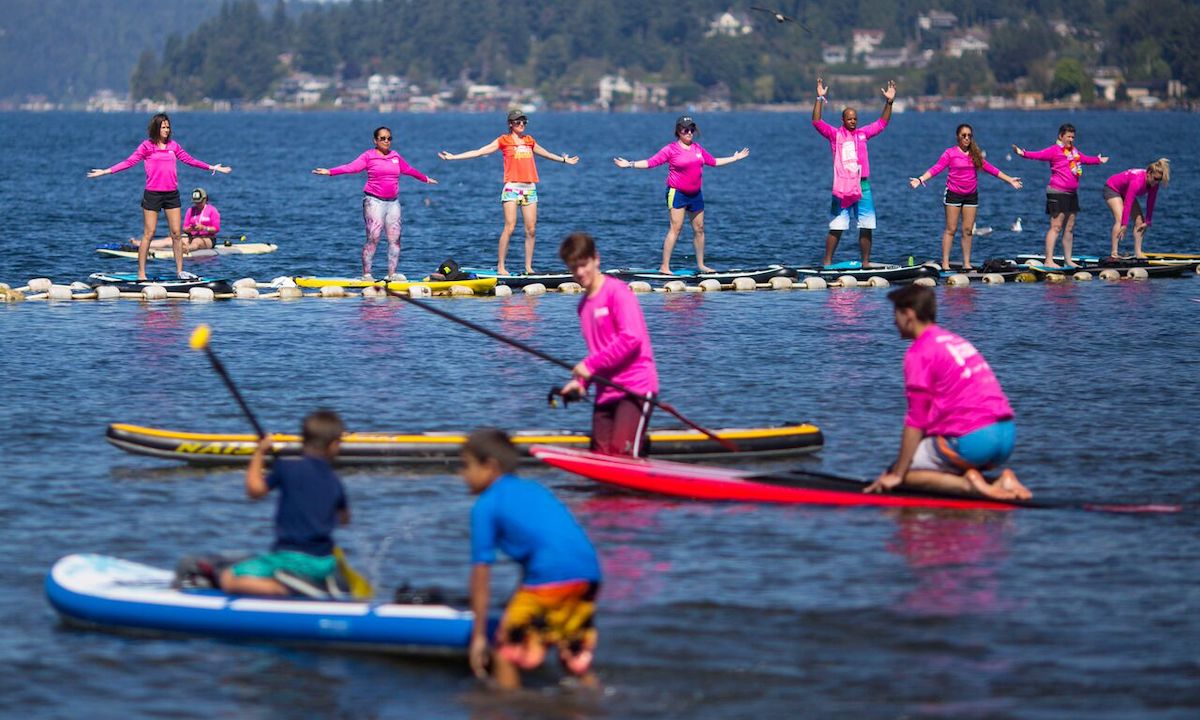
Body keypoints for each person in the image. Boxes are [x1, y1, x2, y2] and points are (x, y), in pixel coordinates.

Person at [463, 428, 602, 690]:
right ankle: (596, 699)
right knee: (572, 656)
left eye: (466, 466)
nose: (463, 475)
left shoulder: (486, 505)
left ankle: (510, 708)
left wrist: (479, 636)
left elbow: (481, 573)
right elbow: (548, 547)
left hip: (549, 580)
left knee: (504, 654)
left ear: (490, 467)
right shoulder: (534, 490)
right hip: (589, 575)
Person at [866, 284, 1031, 501]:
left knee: (899, 474)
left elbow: (916, 419)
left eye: (895, 314)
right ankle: (1000, 481)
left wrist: (897, 473)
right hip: (1006, 437)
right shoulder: (955, 340)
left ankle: (967, 486)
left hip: (975, 440)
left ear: (908, 315)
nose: (893, 322)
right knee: (935, 455)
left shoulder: (919, 352)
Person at [220, 410, 350, 597]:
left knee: (228, 577)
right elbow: (344, 519)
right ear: (333, 446)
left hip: (289, 559)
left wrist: (260, 452)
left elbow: (254, 491)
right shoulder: (335, 480)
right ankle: (314, 581)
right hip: (325, 562)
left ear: (303, 441)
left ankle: (283, 587)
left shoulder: (286, 468)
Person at [88, 113, 232, 281]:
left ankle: (180, 271)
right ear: (156, 128)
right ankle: (141, 273)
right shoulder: (146, 146)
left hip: (171, 194)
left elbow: (191, 160)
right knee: (149, 233)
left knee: (177, 234)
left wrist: (213, 167)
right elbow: (128, 162)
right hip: (153, 194)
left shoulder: (174, 146)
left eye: (168, 127)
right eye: (163, 127)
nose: (166, 130)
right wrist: (105, 171)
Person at [438, 110, 579, 276]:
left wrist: (564, 160)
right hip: (512, 188)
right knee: (510, 227)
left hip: (529, 189)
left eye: (523, 122)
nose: (521, 125)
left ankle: (528, 268)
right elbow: (480, 151)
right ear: (510, 124)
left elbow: (547, 154)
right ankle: (501, 266)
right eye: (518, 122)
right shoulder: (503, 140)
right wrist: (454, 157)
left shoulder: (529, 141)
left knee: (531, 229)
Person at [558, 232, 659, 457]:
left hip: (635, 388)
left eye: (584, 265)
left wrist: (589, 367)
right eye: (573, 268)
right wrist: (581, 383)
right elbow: (598, 351)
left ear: (596, 259)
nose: (580, 273)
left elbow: (631, 338)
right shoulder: (583, 307)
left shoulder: (617, 293)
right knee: (600, 457)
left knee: (620, 456)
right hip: (606, 392)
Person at [613, 116, 749, 274]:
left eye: (692, 129)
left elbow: (713, 161)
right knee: (676, 228)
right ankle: (665, 267)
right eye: (686, 129)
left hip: (695, 194)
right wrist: (629, 164)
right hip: (677, 193)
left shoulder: (698, 148)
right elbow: (651, 162)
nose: (689, 132)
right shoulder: (670, 149)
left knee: (699, 229)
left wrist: (735, 158)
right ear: (678, 131)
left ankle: (701, 265)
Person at [313, 126, 438, 281]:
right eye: (382, 138)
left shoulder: (395, 156)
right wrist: (330, 171)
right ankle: (367, 274)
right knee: (374, 237)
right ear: (375, 140)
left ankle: (392, 274)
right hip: (374, 202)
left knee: (395, 239)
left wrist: (425, 179)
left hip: (393, 203)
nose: (386, 141)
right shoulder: (369, 156)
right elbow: (351, 168)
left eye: (389, 138)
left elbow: (409, 170)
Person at [909, 124, 1023, 270]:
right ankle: (945, 263)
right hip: (953, 195)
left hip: (971, 196)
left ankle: (967, 263)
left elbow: (991, 169)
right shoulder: (950, 153)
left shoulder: (975, 155)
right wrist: (920, 179)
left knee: (968, 230)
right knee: (951, 229)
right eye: (964, 135)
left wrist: (1010, 180)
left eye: (969, 135)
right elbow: (936, 168)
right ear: (958, 137)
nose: (967, 138)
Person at [812, 77, 896, 267]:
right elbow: (816, 122)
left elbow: (882, 123)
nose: (852, 121)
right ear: (843, 120)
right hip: (842, 186)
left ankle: (865, 263)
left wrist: (889, 102)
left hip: (862, 185)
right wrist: (819, 99)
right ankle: (827, 263)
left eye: (855, 119)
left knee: (866, 225)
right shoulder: (835, 135)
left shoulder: (863, 134)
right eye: (849, 119)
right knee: (837, 225)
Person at [1011, 124, 1109, 268]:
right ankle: (1049, 260)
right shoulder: (1054, 150)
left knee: (1069, 228)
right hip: (1057, 192)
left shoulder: (1074, 151)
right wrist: (1022, 153)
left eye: (1073, 137)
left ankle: (1068, 260)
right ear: (1060, 136)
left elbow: (1084, 159)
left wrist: (1098, 160)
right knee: (1056, 226)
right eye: (1068, 136)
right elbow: (1038, 155)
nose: (1071, 139)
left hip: (1072, 194)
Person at [1104, 158, 1170, 259]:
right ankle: (1114, 253)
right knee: (1120, 219)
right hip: (1112, 188)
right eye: (1155, 179)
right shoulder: (1137, 181)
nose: (1156, 182)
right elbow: (1128, 203)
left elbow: (1150, 202)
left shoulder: (1154, 185)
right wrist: (1124, 225)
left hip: (1125, 192)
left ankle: (1138, 253)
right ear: (1149, 173)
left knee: (1140, 222)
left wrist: (1148, 221)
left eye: (1159, 180)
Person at [132, 187, 221, 252]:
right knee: (171, 239)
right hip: (191, 236)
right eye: (196, 202)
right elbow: (185, 228)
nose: (197, 204)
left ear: (205, 199)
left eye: (200, 202)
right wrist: (190, 229)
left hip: (208, 238)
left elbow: (216, 229)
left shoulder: (212, 210)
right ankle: (142, 245)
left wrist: (204, 228)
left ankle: (187, 249)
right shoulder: (191, 210)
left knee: (196, 241)